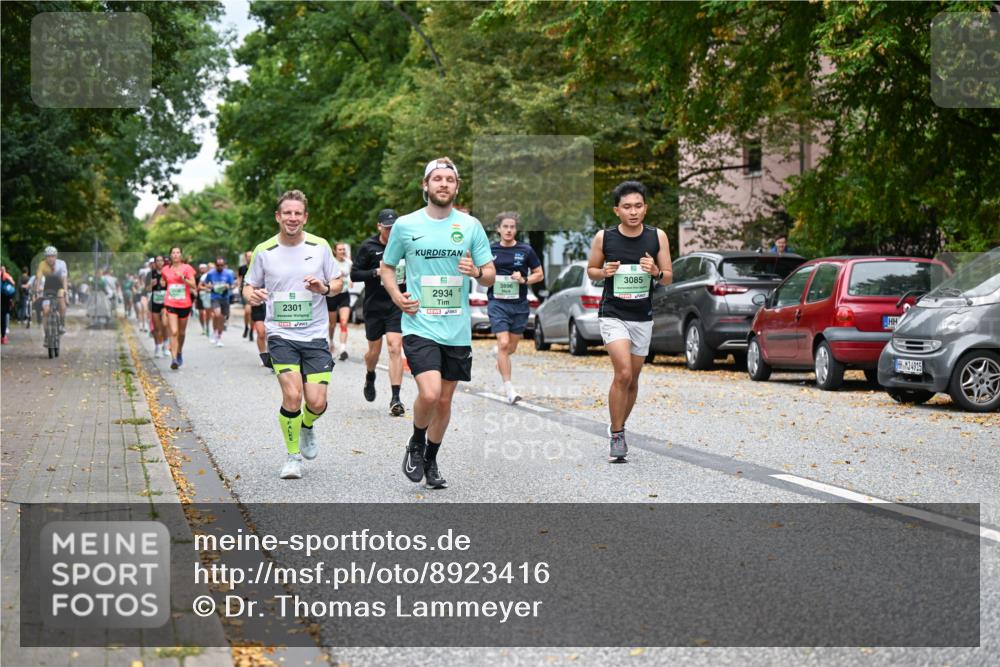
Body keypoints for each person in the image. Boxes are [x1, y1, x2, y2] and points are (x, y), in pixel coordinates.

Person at [381, 157, 495, 489]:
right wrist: (397, 296)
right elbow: (388, 267)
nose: (443, 184)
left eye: (449, 179)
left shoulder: (470, 226)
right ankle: (416, 441)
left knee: (445, 401)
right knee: (429, 394)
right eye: (437, 179)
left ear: (456, 187)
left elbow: (490, 275)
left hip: (457, 329)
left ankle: (430, 460)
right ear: (425, 186)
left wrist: (475, 271)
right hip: (419, 324)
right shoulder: (405, 225)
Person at [243, 190, 342, 480]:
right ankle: (292, 457)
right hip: (280, 334)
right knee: (293, 394)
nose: (292, 218)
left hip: (314, 335)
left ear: (305, 217)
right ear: (278, 216)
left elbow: (337, 282)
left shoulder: (320, 246)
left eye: (298, 213)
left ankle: (307, 425)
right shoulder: (264, 251)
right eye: (287, 213)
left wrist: (323, 288)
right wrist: (253, 295)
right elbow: (248, 286)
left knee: (317, 402)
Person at [586, 180, 673, 462]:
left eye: (638, 206)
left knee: (633, 380)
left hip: (642, 317)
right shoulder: (604, 238)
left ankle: (618, 425)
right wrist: (605, 272)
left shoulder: (657, 236)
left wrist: (656, 271)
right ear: (616, 210)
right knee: (622, 372)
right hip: (613, 313)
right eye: (627, 207)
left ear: (645, 208)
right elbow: (591, 271)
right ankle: (617, 433)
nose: (633, 212)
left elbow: (669, 276)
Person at [351, 208, 406, 415]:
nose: (391, 231)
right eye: (387, 227)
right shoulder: (368, 247)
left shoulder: (405, 246)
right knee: (373, 352)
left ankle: (395, 398)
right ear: (379, 227)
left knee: (394, 347)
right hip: (374, 307)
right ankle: (370, 374)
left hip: (395, 304)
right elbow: (354, 274)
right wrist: (376, 271)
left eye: (394, 227)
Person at [487, 212, 544, 404]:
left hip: (519, 305)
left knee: (510, 347)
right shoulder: (490, 250)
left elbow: (540, 274)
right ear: (498, 229)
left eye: (512, 227)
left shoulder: (526, 250)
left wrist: (524, 279)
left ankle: (501, 356)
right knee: (503, 343)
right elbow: (482, 272)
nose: (509, 230)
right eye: (505, 227)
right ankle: (509, 389)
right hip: (497, 303)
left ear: (516, 229)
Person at [162, 246, 197, 369]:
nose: (176, 255)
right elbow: (163, 282)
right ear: (170, 255)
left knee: (181, 333)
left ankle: (179, 351)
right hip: (171, 303)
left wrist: (183, 277)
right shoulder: (165, 269)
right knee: (174, 331)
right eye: (173, 253)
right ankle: (174, 359)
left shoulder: (187, 268)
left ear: (181, 255)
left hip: (184, 304)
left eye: (178, 253)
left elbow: (193, 285)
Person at [328, 242, 353, 361]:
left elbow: (351, 275)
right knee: (332, 324)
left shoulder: (348, 262)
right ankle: (331, 342)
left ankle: (343, 349)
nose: (342, 251)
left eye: (344, 249)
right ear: (335, 251)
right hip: (332, 295)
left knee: (344, 322)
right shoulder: (331, 262)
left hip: (344, 295)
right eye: (340, 249)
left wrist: (350, 280)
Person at [35, 246, 68, 334]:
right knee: (46, 311)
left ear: (56, 256)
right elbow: (38, 278)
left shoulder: (62, 264)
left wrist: (66, 292)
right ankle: (46, 334)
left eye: (52, 256)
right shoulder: (42, 264)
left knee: (61, 301)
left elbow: (64, 278)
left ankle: (62, 324)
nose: (50, 258)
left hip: (59, 286)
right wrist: (37, 290)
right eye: (48, 256)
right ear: (45, 257)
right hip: (48, 287)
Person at [204, 256, 235, 347]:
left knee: (222, 318)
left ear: (224, 265)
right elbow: (205, 283)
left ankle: (219, 337)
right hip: (215, 297)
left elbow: (232, 285)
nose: (220, 267)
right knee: (217, 314)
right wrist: (209, 286)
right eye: (218, 265)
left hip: (225, 297)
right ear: (215, 265)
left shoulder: (228, 274)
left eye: (222, 265)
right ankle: (215, 331)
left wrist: (228, 286)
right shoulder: (210, 273)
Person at [148, 256, 169, 357]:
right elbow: (146, 289)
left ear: (164, 262)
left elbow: (173, 286)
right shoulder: (151, 274)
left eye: (161, 261)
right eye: (158, 261)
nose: (160, 262)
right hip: (155, 302)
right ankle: (157, 347)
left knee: (165, 324)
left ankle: (165, 345)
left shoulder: (168, 273)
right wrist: (151, 285)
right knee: (156, 327)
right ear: (155, 263)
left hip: (165, 302)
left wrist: (166, 284)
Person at [238, 250, 254, 341]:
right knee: (247, 311)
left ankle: (251, 330)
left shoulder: (256, 267)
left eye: (251, 256)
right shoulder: (242, 268)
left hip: (254, 290)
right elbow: (239, 278)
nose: (249, 257)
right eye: (248, 256)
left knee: (252, 313)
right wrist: (239, 287)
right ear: (245, 257)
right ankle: (246, 327)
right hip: (245, 290)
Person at [195, 263, 211, 336]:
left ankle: (208, 326)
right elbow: (195, 287)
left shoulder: (210, 276)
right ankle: (203, 327)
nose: (202, 269)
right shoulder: (197, 277)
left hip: (209, 296)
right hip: (200, 296)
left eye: (204, 268)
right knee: (201, 313)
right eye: (201, 268)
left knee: (206, 313)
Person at [1, 265, 15, 344]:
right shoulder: (7, 276)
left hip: (4, 298)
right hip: (4, 298)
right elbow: (12, 285)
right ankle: (3, 337)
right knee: (3, 316)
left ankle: (3, 336)